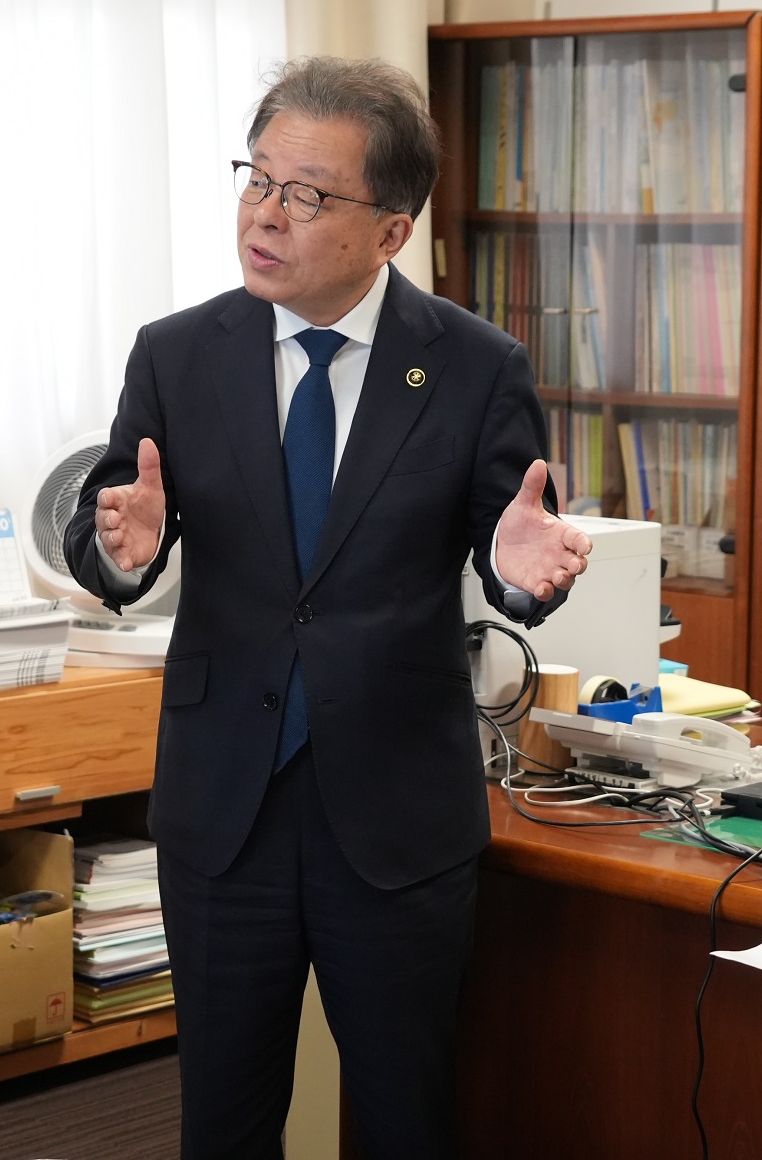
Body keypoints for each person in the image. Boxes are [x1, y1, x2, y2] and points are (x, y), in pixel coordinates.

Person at [67, 57, 592, 1159]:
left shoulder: (470, 368)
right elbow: (112, 523)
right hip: (225, 812)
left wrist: (517, 574)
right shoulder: (178, 354)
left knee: (404, 1118)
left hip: (394, 812)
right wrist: (122, 547)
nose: (265, 213)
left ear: (390, 229)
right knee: (225, 1119)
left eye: (304, 194)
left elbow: (515, 546)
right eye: (255, 179)